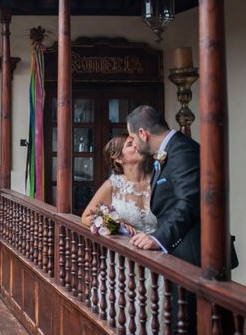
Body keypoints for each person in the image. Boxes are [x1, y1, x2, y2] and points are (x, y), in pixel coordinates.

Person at [126, 105, 200, 333]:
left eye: (132, 138)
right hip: (180, 255)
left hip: (194, 254)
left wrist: (158, 239)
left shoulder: (182, 150)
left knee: (187, 325)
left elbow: (188, 202)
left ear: (143, 133)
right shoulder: (169, 152)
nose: (134, 145)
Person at [81, 134, 156, 235]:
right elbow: (86, 217)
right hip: (124, 247)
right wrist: (116, 225)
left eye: (136, 142)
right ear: (119, 158)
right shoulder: (112, 185)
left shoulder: (158, 180)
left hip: (159, 248)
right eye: (130, 144)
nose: (136, 145)